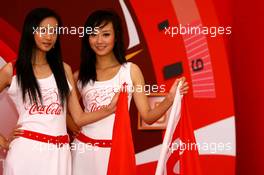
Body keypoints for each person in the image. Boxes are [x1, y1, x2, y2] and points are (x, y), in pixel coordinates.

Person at [70, 10, 189, 175]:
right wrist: (71, 123)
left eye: (105, 34)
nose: (99, 41)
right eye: (93, 35)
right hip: (83, 152)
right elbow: (67, 112)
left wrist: (170, 98)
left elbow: (148, 116)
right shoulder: (79, 76)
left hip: (117, 152)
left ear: (116, 36)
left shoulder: (130, 71)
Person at [0, 8, 117, 175]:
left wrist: (110, 108)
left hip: (59, 154)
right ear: (30, 31)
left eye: (54, 31)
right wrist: (2, 141)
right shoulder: (12, 70)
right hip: (26, 153)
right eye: (44, 30)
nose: (49, 36)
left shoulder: (64, 69)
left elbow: (79, 117)